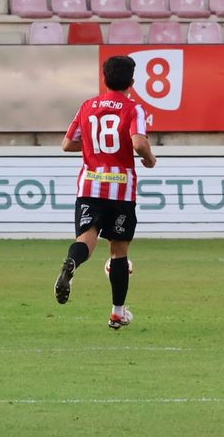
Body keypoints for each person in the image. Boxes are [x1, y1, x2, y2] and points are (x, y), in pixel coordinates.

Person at [52, 54, 156, 330]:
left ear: (104, 78)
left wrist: (93, 150)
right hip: (120, 188)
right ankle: (117, 312)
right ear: (132, 82)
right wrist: (150, 159)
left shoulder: (87, 106)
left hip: (90, 184)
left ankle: (71, 264)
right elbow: (138, 143)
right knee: (119, 253)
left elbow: (66, 144)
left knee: (86, 239)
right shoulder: (133, 108)